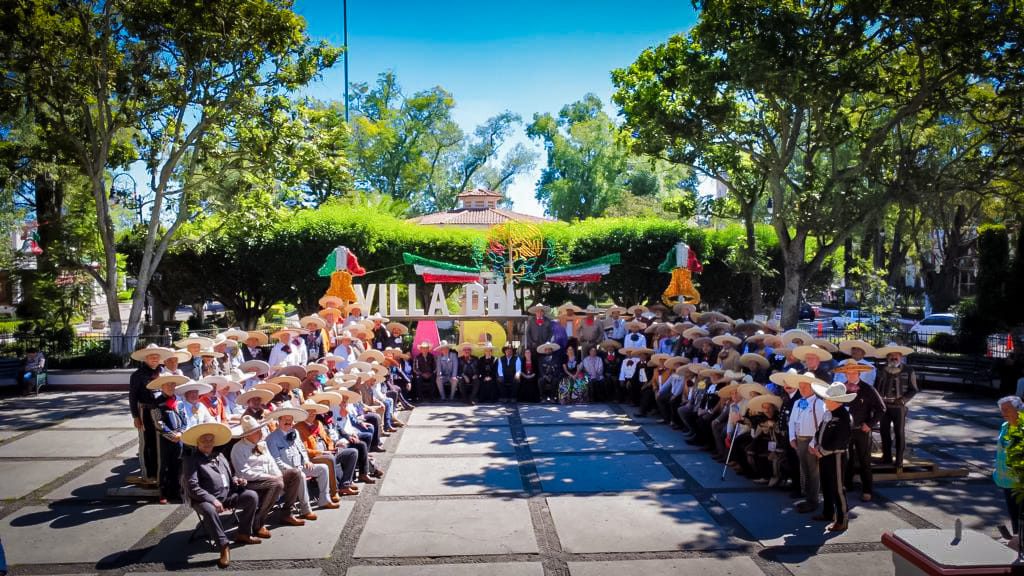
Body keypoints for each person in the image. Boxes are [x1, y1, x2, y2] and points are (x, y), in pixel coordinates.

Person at [183, 422, 261, 569]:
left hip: (227, 496)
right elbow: (192, 487)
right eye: (204, 440)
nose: (207, 442)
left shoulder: (220, 455)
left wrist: (237, 481)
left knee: (252, 496)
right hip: (203, 500)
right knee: (209, 510)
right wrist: (212, 500)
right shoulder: (191, 460)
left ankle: (243, 533)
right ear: (197, 442)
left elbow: (229, 478)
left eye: (210, 439)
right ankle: (223, 546)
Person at [229, 415, 306, 531]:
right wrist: (271, 477)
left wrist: (278, 475)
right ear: (247, 434)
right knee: (276, 484)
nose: (260, 433)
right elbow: (244, 473)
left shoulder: (262, 444)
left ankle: (287, 513)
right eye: (256, 432)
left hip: (270, 478)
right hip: (249, 483)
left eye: (260, 430)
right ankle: (258, 521)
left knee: (295, 473)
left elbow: (271, 462)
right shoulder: (238, 448)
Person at [265, 408, 336, 516]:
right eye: (285, 419)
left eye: (290, 419)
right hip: (285, 472)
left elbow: (302, 449)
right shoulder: (272, 438)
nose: (288, 422)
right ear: (279, 421)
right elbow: (276, 461)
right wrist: (293, 470)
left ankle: (324, 500)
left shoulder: (295, 432)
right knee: (301, 475)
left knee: (323, 468)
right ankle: (305, 509)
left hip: (299, 465)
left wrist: (307, 460)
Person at [834, 360, 884, 501]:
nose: (850, 374)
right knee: (846, 459)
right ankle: (847, 485)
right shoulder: (840, 388)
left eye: (853, 372)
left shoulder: (868, 389)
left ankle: (867, 490)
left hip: (861, 430)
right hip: (844, 430)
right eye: (847, 372)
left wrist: (870, 424)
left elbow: (881, 409)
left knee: (864, 460)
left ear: (858, 373)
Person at [810, 382, 855, 532]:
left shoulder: (844, 417)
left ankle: (842, 520)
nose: (824, 401)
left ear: (836, 401)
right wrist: (817, 444)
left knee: (838, 488)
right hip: (824, 454)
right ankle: (828, 513)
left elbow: (839, 441)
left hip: (836, 456)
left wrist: (821, 451)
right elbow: (820, 431)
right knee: (826, 485)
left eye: (827, 399)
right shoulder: (829, 413)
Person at [128, 344, 173, 485]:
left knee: (161, 441)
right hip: (145, 411)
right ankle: (147, 474)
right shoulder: (137, 375)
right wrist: (135, 416)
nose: (154, 359)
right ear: (145, 358)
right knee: (147, 443)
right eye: (151, 356)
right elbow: (132, 397)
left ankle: (160, 472)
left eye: (156, 356)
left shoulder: (164, 373)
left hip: (162, 410)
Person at [297, 402, 360, 498]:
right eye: (309, 412)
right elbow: (304, 450)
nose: (312, 414)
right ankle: (334, 491)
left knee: (352, 452)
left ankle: (345, 484)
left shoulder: (318, 423)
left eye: (314, 412)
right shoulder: (298, 428)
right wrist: (323, 452)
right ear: (304, 413)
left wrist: (332, 448)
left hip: (328, 452)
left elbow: (328, 439)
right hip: (313, 457)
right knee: (330, 458)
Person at [787, 371, 827, 514]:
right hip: (799, 440)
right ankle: (808, 497)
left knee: (813, 472)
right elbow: (792, 421)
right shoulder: (798, 402)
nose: (802, 389)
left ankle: (813, 500)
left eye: (806, 386)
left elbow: (822, 426)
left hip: (811, 440)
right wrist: (792, 437)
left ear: (813, 387)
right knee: (804, 469)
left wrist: (814, 443)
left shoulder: (818, 403)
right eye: (801, 386)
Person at [874, 344, 918, 472]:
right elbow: (876, 387)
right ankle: (886, 457)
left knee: (899, 433)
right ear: (887, 357)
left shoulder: (909, 370)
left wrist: (903, 400)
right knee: (884, 432)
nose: (894, 358)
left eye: (896, 355)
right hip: (884, 406)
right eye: (891, 356)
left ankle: (899, 460)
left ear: (901, 356)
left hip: (899, 407)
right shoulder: (881, 370)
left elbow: (913, 389)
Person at [149, 374, 190, 503]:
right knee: (164, 465)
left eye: (173, 384)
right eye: (168, 384)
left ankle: (176, 491)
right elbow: (158, 423)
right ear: (162, 386)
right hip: (165, 440)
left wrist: (181, 433)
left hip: (179, 438)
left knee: (177, 465)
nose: (171, 387)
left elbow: (184, 419)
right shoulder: (156, 403)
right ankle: (163, 492)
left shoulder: (179, 401)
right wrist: (172, 436)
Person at [995, 396, 1024, 535]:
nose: (1003, 413)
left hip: (1019, 481)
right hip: (1005, 479)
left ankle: (1020, 541)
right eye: (1002, 410)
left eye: (1007, 410)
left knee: (1021, 513)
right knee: (1013, 513)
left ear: (1018, 410)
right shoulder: (1005, 426)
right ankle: (1017, 538)